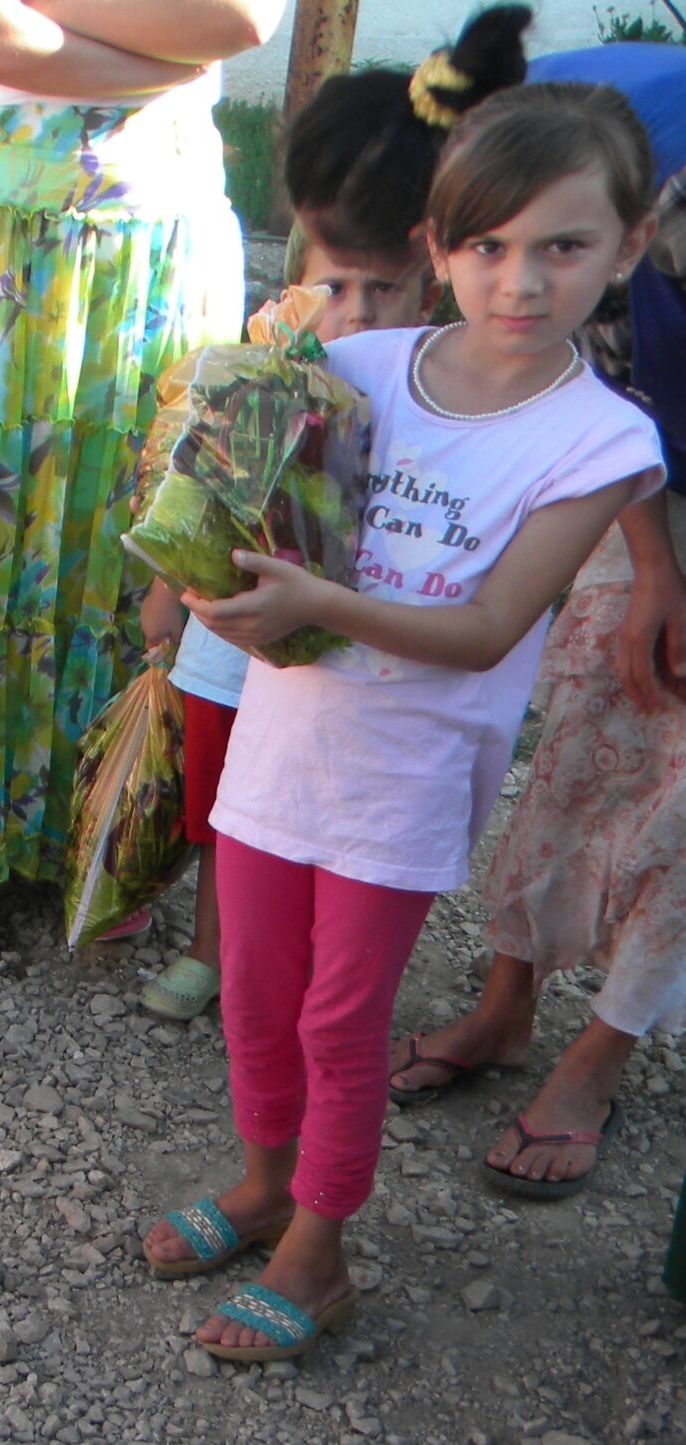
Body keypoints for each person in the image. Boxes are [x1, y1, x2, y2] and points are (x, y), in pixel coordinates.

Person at [142, 83, 664, 1365]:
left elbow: (489, 628)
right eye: (486, 246)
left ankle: (318, 1253)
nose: (521, 281)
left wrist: (325, 599)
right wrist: (197, 573)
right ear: (436, 246)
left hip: (407, 779)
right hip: (279, 747)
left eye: (563, 247)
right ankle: (262, 1182)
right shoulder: (355, 366)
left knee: (339, 1015)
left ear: (629, 248)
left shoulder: (600, 439)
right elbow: (245, 514)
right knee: (256, 998)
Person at [0, 0, 274, 946]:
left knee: (127, 516)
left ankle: (104, 815)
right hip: (10, 235)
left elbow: (239, 21)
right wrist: (165, 61)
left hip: (157, 234)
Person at [137, 8, 525, 1023]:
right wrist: (160, 593)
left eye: (376, 288)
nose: (348, 313)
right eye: (328, 281)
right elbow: (192, 480)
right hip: (235, 631)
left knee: (332, 816)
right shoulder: (266, 351)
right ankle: (217, 945)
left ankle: (310, 959)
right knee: (226, 798)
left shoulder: (443, 387)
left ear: (434, 262)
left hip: (363, 664)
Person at [384, 40, 686, 1201]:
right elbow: (615, 380)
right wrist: (652, 563)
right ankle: (503, 1005)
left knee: (679, 802)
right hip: (642, 486)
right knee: (580, 735)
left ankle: (598, 1053)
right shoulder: (642, 195)